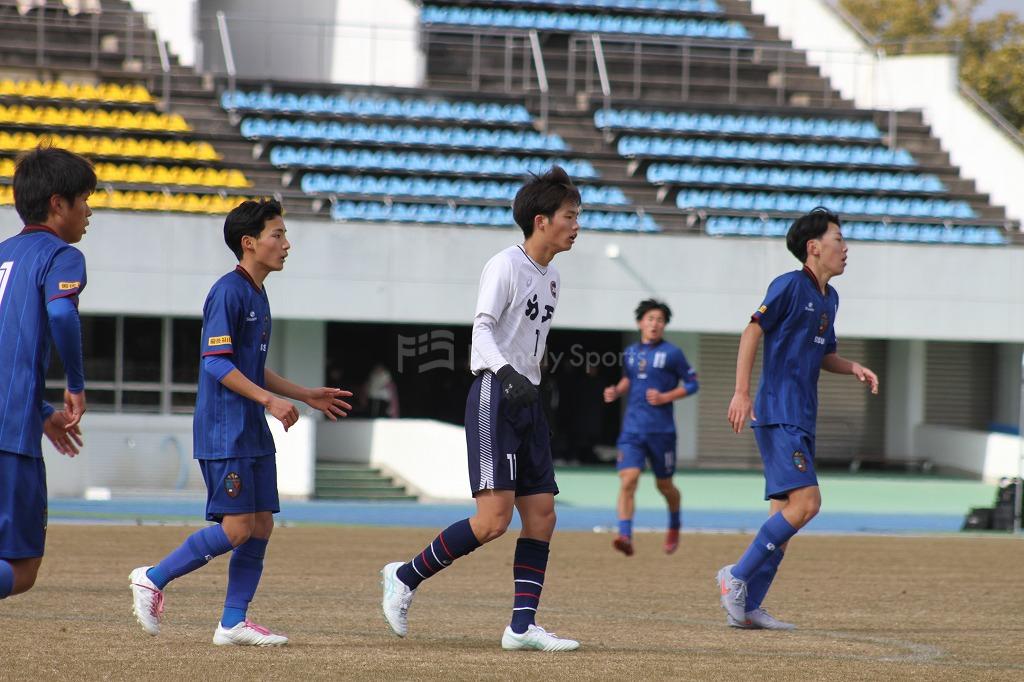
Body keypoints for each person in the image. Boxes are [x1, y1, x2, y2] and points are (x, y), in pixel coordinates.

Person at [129, 199, 353, 646]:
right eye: (278, 235)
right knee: (236, 529)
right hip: (224, 431)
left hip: (250, 429)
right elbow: (215, 363)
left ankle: (232, 622)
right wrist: (269, 400)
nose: (286, 244)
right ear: (249, 243)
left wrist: (303, 394)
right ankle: (152, 577)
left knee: (262, 524)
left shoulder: (258, 292)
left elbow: (250, 365)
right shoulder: (228, 291)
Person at [380, 166, 581, 652]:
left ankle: (521, 627)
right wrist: (508, 374)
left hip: (526, 401)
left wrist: (532, 377)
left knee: (542, 516)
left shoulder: (552, 277)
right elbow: (481, 330)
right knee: (493, 520)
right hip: (495, 394)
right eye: (570, 217)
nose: (577, 227)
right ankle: (404, 577)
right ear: (540, 221)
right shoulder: (504, 266)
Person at [718, 207, 879, 630]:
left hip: (803, 418)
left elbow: (824, 354)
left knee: (782, 519)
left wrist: (853, 367)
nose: (845, 248)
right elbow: (753, 330)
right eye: (839, 239)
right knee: (808, 504)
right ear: (814, 247)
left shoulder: (831, 297)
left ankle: (749, 605)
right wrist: (741, 392)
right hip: (779, 414)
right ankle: (735, 576)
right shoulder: (789, 285)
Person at [0, 146, 93, 601]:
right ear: (58, 204)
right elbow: (60, 315)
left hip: (21, 415)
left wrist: (41, 409)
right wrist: (75, 385)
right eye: (84, 199)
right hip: (9, 436)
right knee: (22, 567)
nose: (89, 211)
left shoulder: (2, 255)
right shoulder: (60, 256)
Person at [604, 299, 699, 556]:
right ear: (639, 323)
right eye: (650, 319)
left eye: (659, 320)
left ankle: (675, 524)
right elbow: (629, 379)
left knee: (665, 486)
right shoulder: (631, 353)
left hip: (662, 432)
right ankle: (625, 534)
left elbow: (693, 384)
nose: (654, 324)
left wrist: (666, 396)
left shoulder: (673, 353)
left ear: (664, 325)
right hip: (632, 431)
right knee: (629, 480)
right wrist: (616, 390)